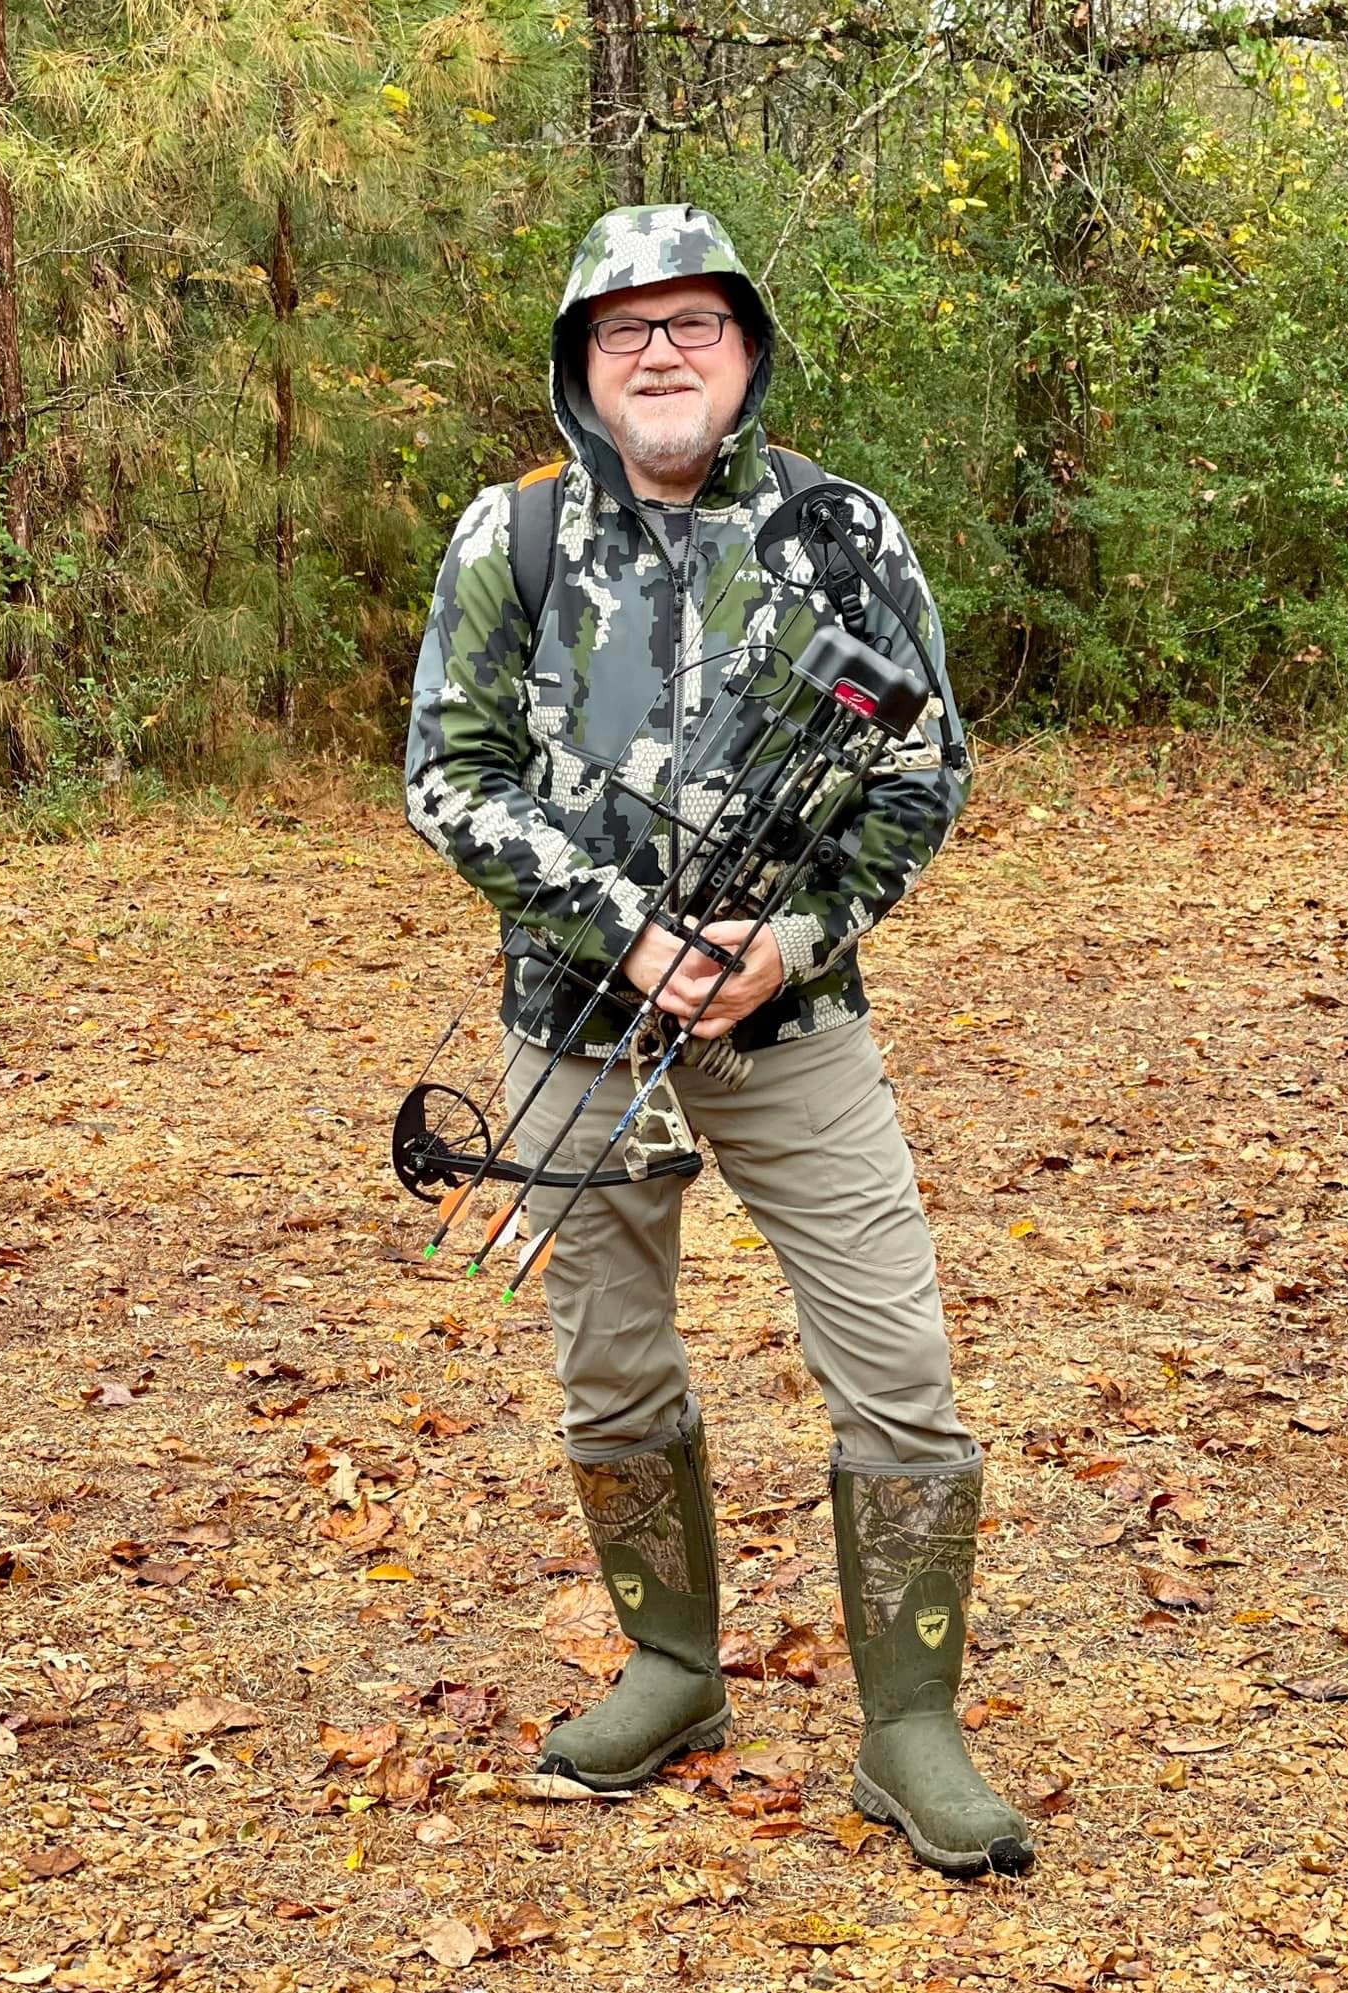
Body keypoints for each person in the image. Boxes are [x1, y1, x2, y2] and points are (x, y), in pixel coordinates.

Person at [404, 204, 1033, 1878]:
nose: (661, 353)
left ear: (747, 350)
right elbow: (449, 777)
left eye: (693, 323)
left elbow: (924, 770)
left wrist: (789, 943)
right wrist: (625, 929)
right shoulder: (513, 539)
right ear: (582, 366)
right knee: (610, 1368)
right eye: (625, 329)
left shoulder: (845, 534)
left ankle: (910, 1728)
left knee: (897, 1367)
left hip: (793, 1032)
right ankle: (674, 1670)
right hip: (577, 1031)